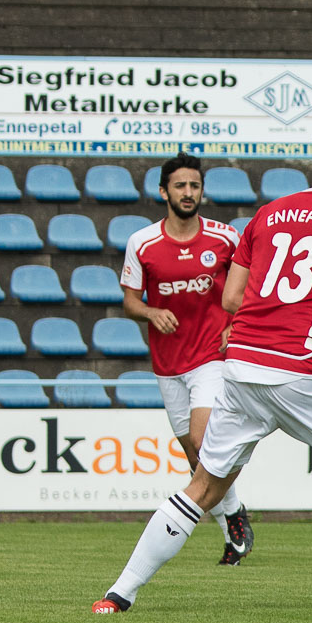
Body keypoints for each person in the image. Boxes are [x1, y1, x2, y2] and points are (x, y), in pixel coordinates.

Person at [94, 114, 312, 614]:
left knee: (203, 485)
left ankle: (118, 594)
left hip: (243, 364)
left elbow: (231, 297)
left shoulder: (267, 215)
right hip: (307, 366)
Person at [120, 151, 253, 566]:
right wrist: (150, 311)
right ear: (164, 192)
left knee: (203, 439)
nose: (188, 192)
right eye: (180, 185)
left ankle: (224, 519)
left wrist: (235, 323)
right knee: (197, 457)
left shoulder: (225, 238)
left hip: (212, 357)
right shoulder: (142, 243)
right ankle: (233, 514)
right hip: (168, 364)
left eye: (194, 186)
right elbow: (129, 301)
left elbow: (247, 289)